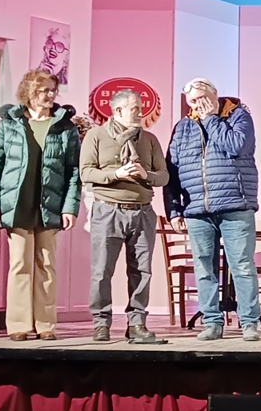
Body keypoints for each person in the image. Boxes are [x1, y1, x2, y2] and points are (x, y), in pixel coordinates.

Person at [0, 71, 81, 341]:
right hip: (17, 204)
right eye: (44, 91)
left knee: (46, 264)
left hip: (50, 205)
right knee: (20, 264)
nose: (50, 95)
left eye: (52, 90)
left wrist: (69, 207)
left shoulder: (65, 127)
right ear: (29, 92)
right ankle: (19, 323)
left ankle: (45, 323)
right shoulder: (9, 124)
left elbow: (74, 171)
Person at [166, 78, 261, 341]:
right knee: (203, 268)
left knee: (242, 266)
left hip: (235, 205)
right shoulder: (183, 127)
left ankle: (249, 322)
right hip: (197, 210)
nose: (197, 105)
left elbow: (236, 146)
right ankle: (211, 322)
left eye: (202, 98)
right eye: (192, 101)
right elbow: (171, 169)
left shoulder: (239, 116)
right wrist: (174, 210)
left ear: (215, 95)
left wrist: (210, 119)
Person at [81, 89, 170, 344]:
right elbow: (86, 172)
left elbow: (163, 176)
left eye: (141, 107)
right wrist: (116, 174)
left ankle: (137, 323)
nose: (141, 112)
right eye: (135, 108)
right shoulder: (96, 136)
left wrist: (145, 175)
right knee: (102, 270)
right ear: (118, 111)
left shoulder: (149, 139)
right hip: (108, 210)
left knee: (141, 271)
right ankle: (101, 323)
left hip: (142, 212)